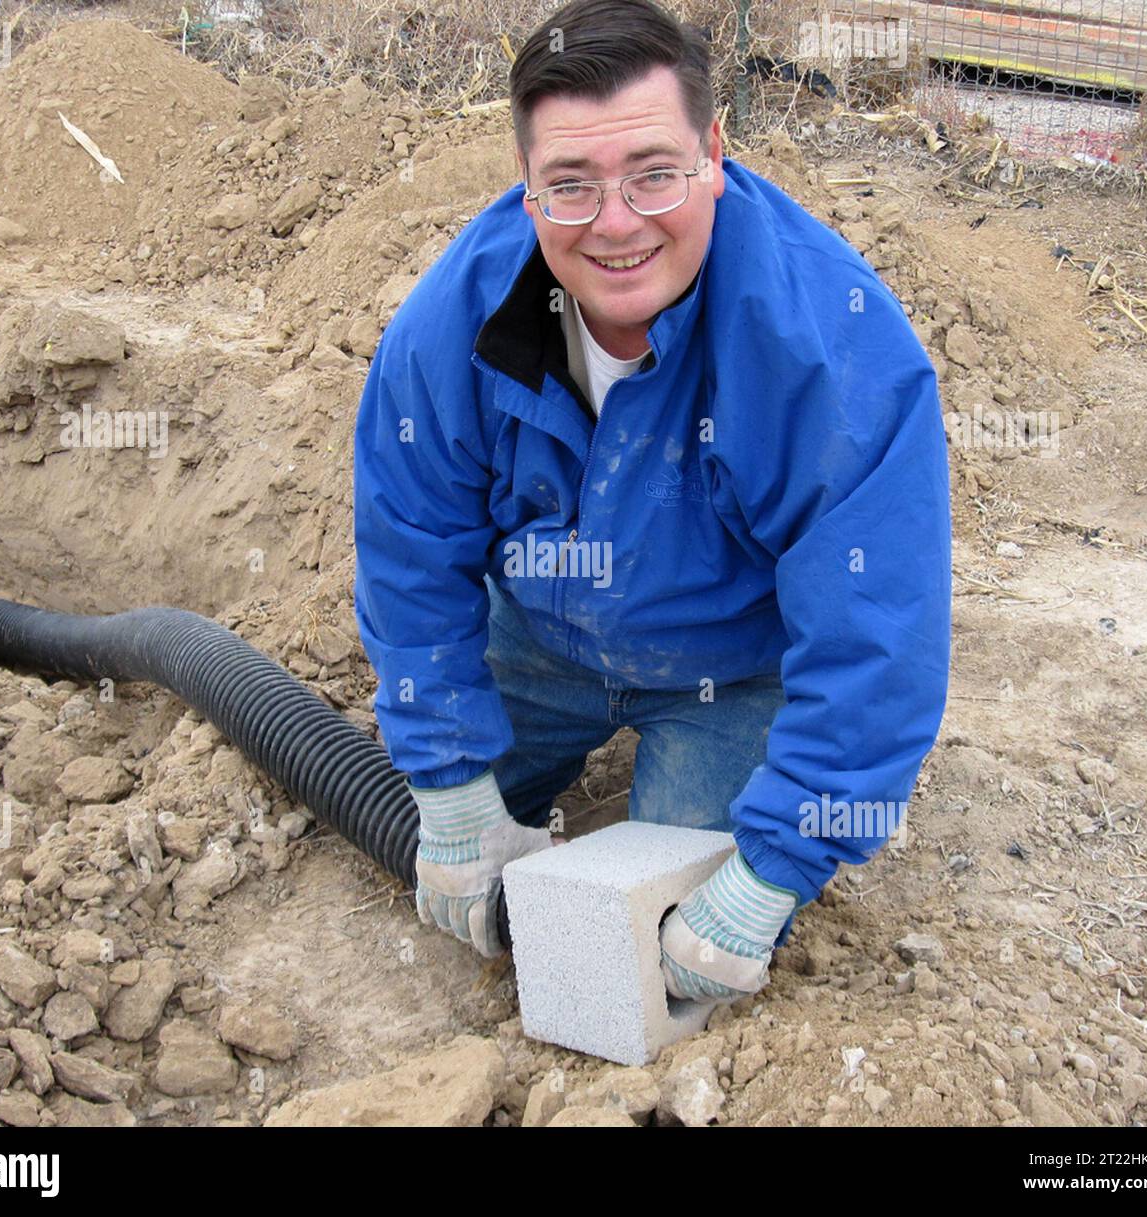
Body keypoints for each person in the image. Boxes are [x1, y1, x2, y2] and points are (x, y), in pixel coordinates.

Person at [353, 0, 951, 1003]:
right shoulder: (451, 322)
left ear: (714, 151)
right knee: (439, 839)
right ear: (528, 186)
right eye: (571, 187)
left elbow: (877, 632)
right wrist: (448, 778)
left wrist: (771, 872)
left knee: (667, 959)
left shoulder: (829, 348)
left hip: (733, 669)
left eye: (653, 173)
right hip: (538, 640)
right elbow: (412, 550)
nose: (617, 223)